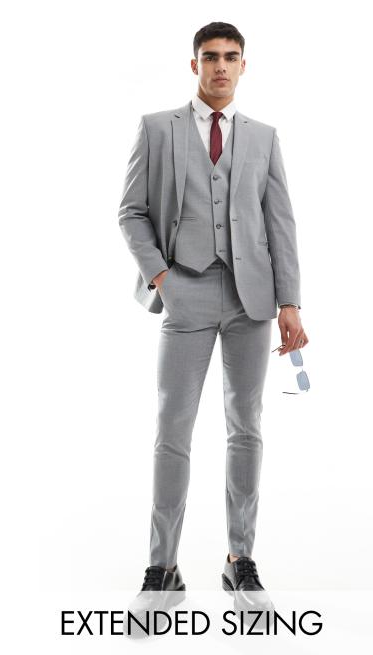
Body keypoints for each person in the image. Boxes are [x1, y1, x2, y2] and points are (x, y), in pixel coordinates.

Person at [118, 21, 308, 618]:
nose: (220, 66)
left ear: (243, 65)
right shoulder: (157, 128)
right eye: (210, 57)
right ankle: (162, 569)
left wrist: (290, 302)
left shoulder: (264, 137)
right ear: (194, 64)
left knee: (246, 427)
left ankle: (239, 561)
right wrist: (162, 278)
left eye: (230, 56)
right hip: (185, 293)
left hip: (252, 300)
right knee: (172, 429)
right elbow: (131, 212)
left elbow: (280, 222)